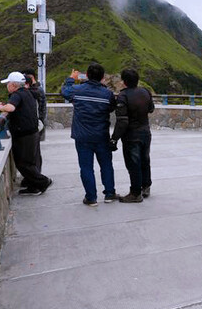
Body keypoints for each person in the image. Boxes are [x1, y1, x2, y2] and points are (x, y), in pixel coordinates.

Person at [61, 63, 118, 206]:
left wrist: (71, 78)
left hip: (82, 137)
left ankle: (91, 198)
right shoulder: (108, 94)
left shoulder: (76, 90)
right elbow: (111, 108)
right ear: (102, 77)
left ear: (86, 75)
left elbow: (64, 92)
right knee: (106, 165)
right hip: (101, 136)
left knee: (86, 167)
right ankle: (110, 194)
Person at [0, 71, 52, 196]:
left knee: (23, 163)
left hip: (24, 134)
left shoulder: (16, 95)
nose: (7, 86)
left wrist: (1, 107)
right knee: (30, 162)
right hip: (32, 132)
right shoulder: (28, 93)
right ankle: (33, 186)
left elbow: (11, 108)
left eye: (8, 84)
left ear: (13, 85)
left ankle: (43, 182)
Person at [111, 69, 154, 203]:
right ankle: (146, 186)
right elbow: (151, 109)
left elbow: (122, 121)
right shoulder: (145, 92)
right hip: (145, 132)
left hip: (131, 135)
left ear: (124, 81)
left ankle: (135, 193)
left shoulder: (123, 96)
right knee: (145, 160)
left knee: (133, 164)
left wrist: (114, 138)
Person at [22, 69, 47, 142]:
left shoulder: (36, 90)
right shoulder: (37, 89)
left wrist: (41, 121)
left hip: (35, 123)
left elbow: (42, 108)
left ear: (31, 77)